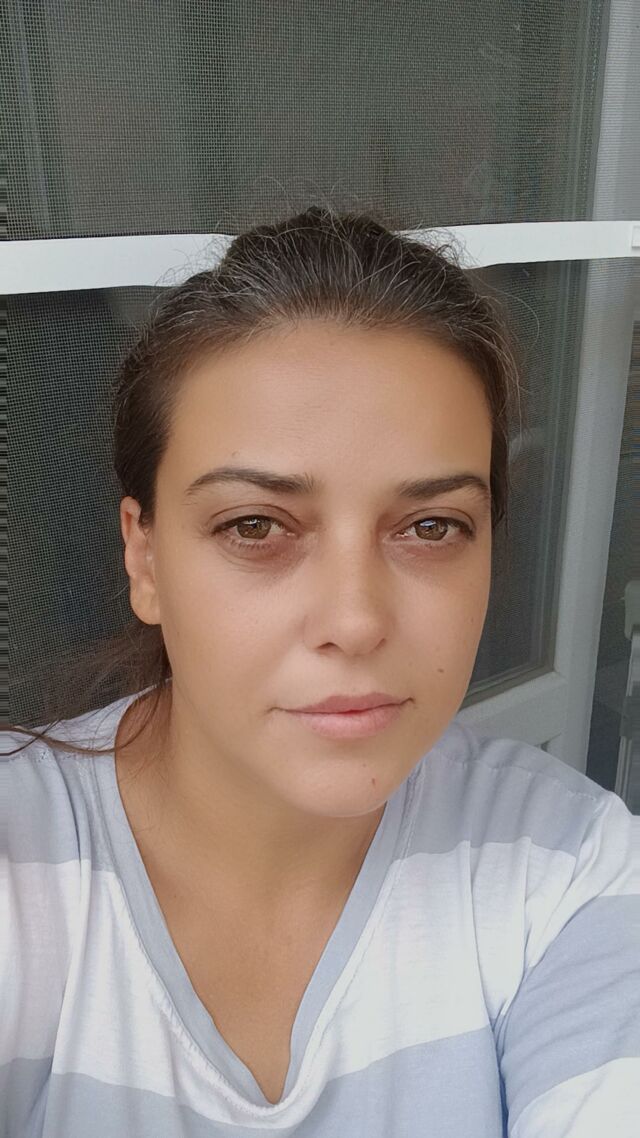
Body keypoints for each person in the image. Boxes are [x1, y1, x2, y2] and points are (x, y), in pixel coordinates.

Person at [1, 206, 638, 1137]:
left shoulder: (569, 865)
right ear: (145, 558)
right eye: (255, 526)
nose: (355, 620)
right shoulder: (18, 859)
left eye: (431, 527)